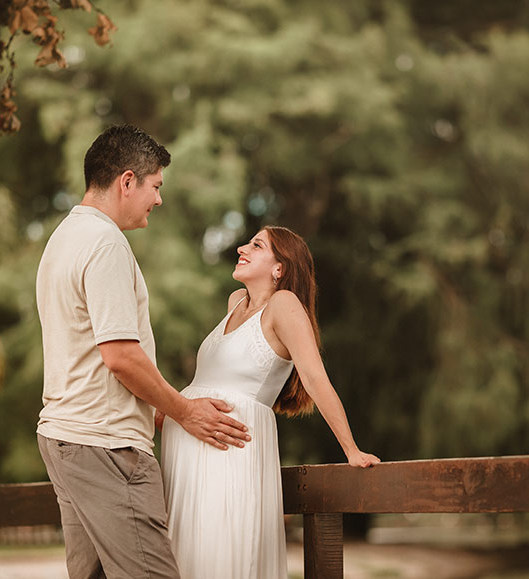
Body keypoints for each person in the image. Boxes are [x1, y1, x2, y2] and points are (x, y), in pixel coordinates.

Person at [35, 125, 251, 579]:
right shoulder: (106, 243)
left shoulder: (63, 238)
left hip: (66, 437)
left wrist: (148, 405)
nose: (158, 200)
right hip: (106, 446)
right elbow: (120, 356)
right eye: (155, 187)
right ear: (127, 181)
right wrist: (182, 410)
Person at [159, 225, 380, 579]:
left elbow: (314, 378)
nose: (242, 249)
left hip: (229, 453)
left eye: (256, 245)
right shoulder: (235, 302)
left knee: (223, 554)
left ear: (280, 268)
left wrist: (351, 449)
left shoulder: (284, 304)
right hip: (186, 455)